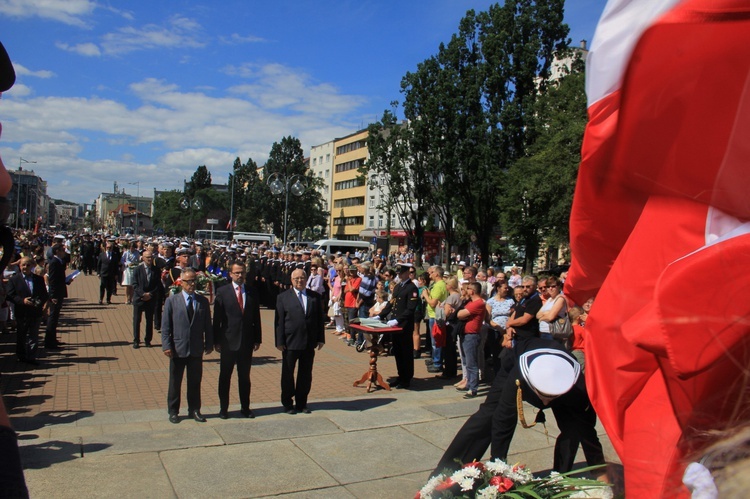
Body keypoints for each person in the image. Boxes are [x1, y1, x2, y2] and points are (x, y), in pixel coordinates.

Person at [433, 336, 606, 480]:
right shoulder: (519, 377)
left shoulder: (578, 387)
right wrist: (498, 467)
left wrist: (600, 471)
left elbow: (587, 429)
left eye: (551, 399)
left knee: (573, 428)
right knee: (488, 416)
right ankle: (447, 473)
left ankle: (560, 476)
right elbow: (504, 419)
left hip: (560, 370)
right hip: (515, 361)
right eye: (542, 396)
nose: (545, 404)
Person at [161, 268, 213, 423]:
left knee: (195, 382)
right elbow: (166, 326)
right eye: (188, 281)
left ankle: (195, 409)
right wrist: (166, 345)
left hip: (196, 348)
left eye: (193, 281)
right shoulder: (172, 301)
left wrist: (209, 343)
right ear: (181, 283)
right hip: (178, 348)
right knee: (175, 382)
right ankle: (173, 411)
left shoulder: (202, 301)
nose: (191, 284)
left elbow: (207, 326)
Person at [213, 261, 262, 419]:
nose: (240, 275)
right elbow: (217, 319)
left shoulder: (253, 291)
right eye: (237, 273)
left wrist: (257, 338)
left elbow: (256, 317)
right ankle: (223, 408)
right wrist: (216, 341)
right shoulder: (222, 292)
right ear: (230, 274)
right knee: (225, 376)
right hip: (228, 341)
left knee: (244, 377)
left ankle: (245, 407)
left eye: (242, 272)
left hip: (246, 341)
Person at [274, 269, 325, 414]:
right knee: (288, 374)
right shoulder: (283, 297)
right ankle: (288, 403)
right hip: (290, 342)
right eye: (296, 278)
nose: (299, 281)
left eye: (302, 278)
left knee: (305, 374)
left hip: (309, 342)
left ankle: (302, 403)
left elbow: (319, 319)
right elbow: (279, 322)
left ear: (306, 279)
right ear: (291, 280)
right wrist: (279, 341)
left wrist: (321, 338)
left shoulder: (314, 297)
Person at [378, 263, 419, 389]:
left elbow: (410, 309)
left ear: (407, 273)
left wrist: (398, 320)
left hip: (404, 325)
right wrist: (380, 315)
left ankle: (406, 378)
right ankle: (400, 376)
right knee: (398, 352)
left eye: (401, 273)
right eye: (398, 273)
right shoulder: (398, 287)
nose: (399, 275)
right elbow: (391, 303)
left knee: (405, 352)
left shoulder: (411, 288)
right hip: (395, 325)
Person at [6, 256, 49, 365]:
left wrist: (39, 302)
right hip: (22, 312)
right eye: (23, 265)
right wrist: (22, 301)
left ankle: (31, 357)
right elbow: (10, 295)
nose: (25, 267)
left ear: (32, 266)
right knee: (21, 335)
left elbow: (44, 294)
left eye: (28, 265)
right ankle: (21, 356)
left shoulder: (38, 279)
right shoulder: (14, 279)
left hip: (35, 312)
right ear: (19, 266)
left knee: (33, 336)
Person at [456, 282, 486, 398]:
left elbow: (460, 314)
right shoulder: (470, 302)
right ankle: (468, 383)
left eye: (468, 289)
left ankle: (473, 388)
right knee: (466, 361)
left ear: (472, 291)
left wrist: (461, 313)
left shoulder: (478, 303)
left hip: (472, 335)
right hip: (465, 334)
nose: (466, 291)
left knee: (471, 362)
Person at [132, 251, 162, 349]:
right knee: (137, 320)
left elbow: (158, 285)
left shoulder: (156, 270)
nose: (149, 259)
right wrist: (142, 294)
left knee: (149, 320)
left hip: (150, 299)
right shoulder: (137, 269)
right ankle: (136, 340)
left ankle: (148, 340)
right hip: (139, 298)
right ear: (143, 258)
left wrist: (150, 294)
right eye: (147, 257)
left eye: (151, 257)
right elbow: (135, 284)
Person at [45, 243, 67, 350]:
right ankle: (49, 341)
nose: (64, 252)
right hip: (55, 294)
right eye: (62, 250)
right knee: (52, 317)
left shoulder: (59, 261)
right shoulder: (54, 262)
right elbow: (52, 280)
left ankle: (53, 339)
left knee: (56, 317)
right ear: (57, 251)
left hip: (59, 291)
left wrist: (67, 281)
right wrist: (52, 296)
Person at [97, 240, 119, 305]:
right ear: (105, 248)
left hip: (111, 273)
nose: (109, 249)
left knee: (109, 287)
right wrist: (98, 273)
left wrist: (116, 274)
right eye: (107, 247)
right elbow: (99, 264)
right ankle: (101, 299)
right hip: (103, 273)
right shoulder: (102, 254)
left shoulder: (114, 255)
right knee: (102, 286)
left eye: (110, 247)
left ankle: (108, 299)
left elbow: (116, 265)